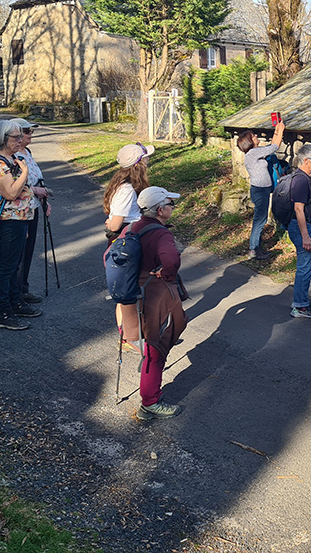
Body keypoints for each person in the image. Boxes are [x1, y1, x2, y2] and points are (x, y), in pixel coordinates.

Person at [118, 186, 189, 420]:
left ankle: (149, 398)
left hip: (131, 295)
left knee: (147, 343)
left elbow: (111, 255)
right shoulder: (160, 233)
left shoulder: (131, 228)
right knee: (155, 349)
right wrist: (165, 276)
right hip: (154, 296)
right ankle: (150, 402)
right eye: (170, 204)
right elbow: (171, 261)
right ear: (160, 209)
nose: (172, 207)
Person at [0, 119, 43, 330]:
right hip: (10, 221)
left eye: (21, 136)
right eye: (16, 137)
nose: (20, 140)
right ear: (3, 138)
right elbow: (10, 193)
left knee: (13, 263)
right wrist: (25, 172)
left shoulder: (11, 158)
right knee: (7, 266)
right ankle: (2, 313)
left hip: (20, 219)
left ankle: (15, 303)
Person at [12, 118, 49, 304]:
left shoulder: (27, 152)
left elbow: (36, 179)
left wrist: (44, 201)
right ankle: (16, 293)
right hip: (19, 211)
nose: (30, 135)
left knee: (28, 252)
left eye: (31, 132)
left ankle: (22, 288)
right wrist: (35, 191)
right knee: (18, 253)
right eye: (27, 132)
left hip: (32, 208)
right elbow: (15, 186)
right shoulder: (12, 158)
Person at [237, 119, 286, 260]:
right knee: (259, 220)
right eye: (253, 136)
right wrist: (281, 130)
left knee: (260, 219)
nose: (256, 137)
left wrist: (277, 130)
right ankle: (254, 249)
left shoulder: (255, 152)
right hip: (260, 191)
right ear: (249, 141)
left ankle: (257, 247)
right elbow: (275, 147)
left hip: (261, 190)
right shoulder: (252, 154)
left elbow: (271, 146)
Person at [287, 143, 311, 319]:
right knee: (305, 267)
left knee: (305, 266)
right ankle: (300, 306)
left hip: (305, 226)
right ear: (306, 160)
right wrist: (305, 236)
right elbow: (298, 209)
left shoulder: (302, 177)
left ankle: (301, 301)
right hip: (302, 227)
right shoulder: (301, 180)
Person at [103, 142, 154, 240]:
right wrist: (110, 224)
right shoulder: (126, 190)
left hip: (130, 232)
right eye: (145, 158)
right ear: (137, 165)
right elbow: (115, 226)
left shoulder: (125, 183)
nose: (148, 159)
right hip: (127, 236)